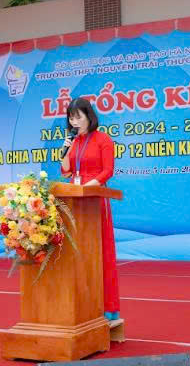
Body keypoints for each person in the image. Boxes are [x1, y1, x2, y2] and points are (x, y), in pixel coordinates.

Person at [60, 98, 120, 321]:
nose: (74, 121)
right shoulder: (73, 141)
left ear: (89, 116)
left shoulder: (103, 139)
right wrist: (65, 149)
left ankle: (107, 307)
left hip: (94, 197)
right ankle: (82, 305)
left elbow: (108, 171)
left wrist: (88, 188)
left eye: (78, 117)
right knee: (78, 251)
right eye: (71, 118)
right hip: (75, 198)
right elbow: (66, 171)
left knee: (99, 250)